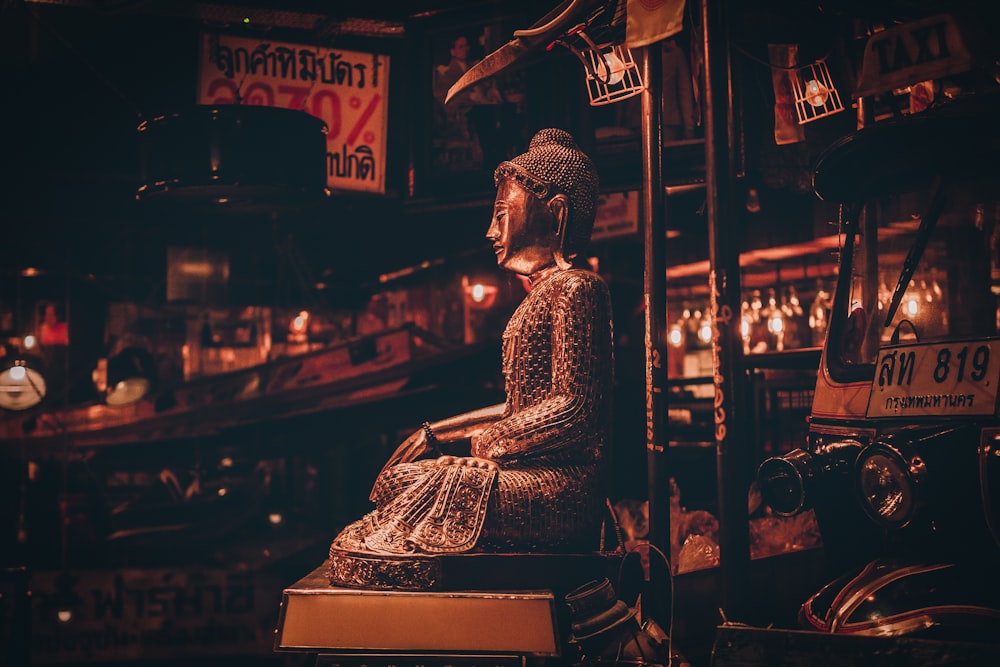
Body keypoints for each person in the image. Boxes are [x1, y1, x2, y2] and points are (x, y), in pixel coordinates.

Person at [330, 129, 614, 588]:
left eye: (502, 215)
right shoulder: (540, 296)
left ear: (556, 213)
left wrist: (487, 446)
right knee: (398, 482)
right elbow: (520, 406)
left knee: (435, 489)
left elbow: (575, 408)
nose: (491, 231)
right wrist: (434, 434)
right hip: (525, 468)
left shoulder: (580, 288)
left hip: (562, 484)